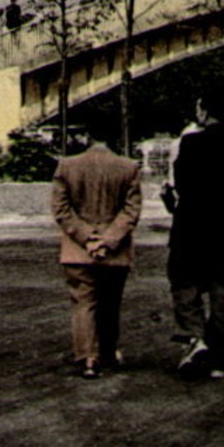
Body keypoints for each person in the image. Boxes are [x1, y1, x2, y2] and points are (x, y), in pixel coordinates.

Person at [164, 94, 224, 380]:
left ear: (203, 112)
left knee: (183, 281)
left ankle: (194, 337)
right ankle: (219, 359)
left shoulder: (188, 143)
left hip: (192, 225)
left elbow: (179, 183)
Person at [51, 137, 143, 379]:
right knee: (111, 304)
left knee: (84, 303)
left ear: (87, 138)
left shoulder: (66, 166)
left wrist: (87, 238)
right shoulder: (128, 167)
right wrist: (108, 239)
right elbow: (131, 211)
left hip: (77, 250)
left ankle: (88, 358)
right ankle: (109, 352)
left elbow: (61, 209)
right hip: (115, 250)